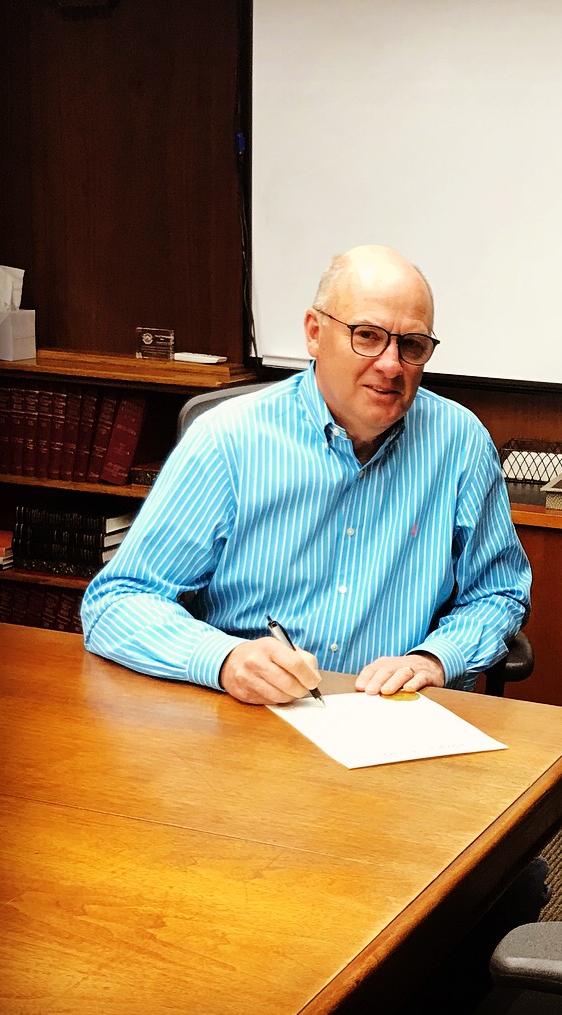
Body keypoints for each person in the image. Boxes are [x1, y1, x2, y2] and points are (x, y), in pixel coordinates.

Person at [81, 244, 532, 702]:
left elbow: (498, 592)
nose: (392, 364)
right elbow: (117, 602)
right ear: (314, 333)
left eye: (411, 345)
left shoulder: (459, 443)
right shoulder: (228, 440)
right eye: (368, 335)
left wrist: (436, 658)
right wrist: (223, 659)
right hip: (251, 716)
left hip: (395, 717)